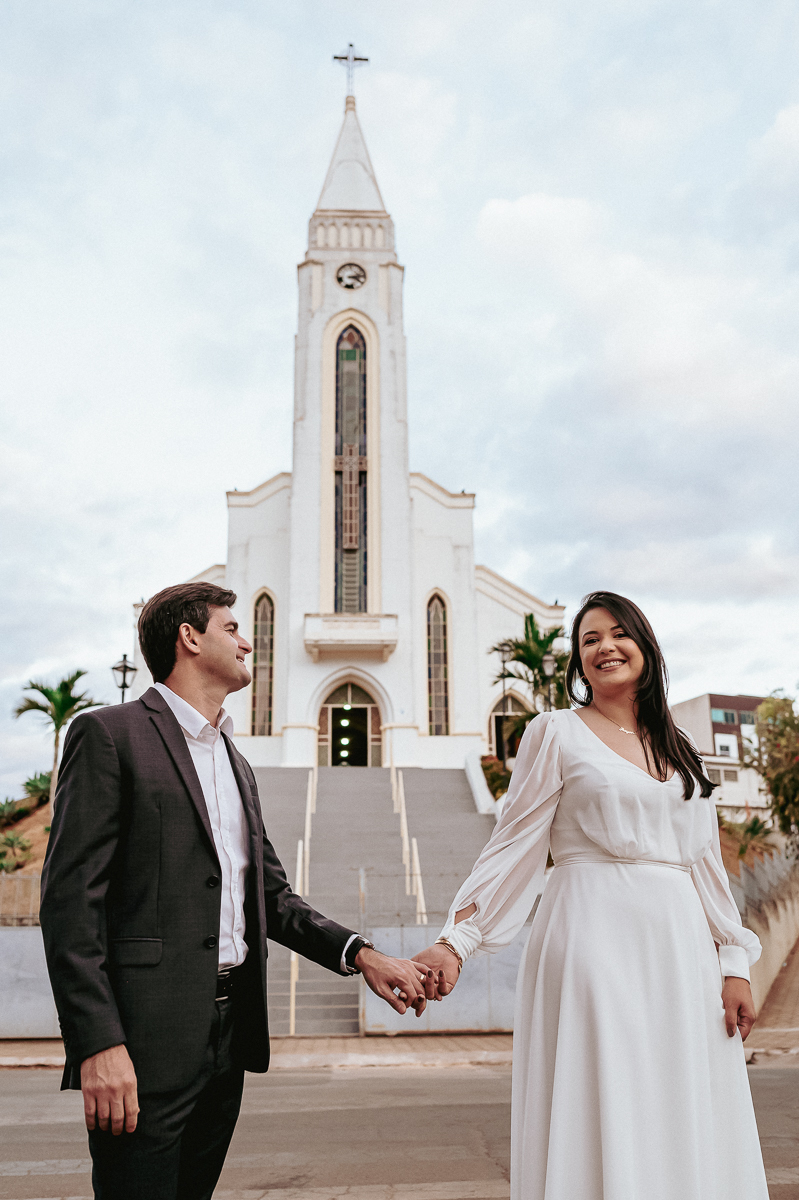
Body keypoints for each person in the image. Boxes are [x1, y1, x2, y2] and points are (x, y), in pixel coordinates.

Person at [40, 582, 437, 1200]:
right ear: (189, 638)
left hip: (227, 1040)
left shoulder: (235, 761)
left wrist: (364, 955)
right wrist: (98, 1044)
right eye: (232, 627)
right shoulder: (109, 735)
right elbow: (70, 906)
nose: (248, 641)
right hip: (143, 1043)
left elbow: (273, 899)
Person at [416, 591, 769, 1200]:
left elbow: (705, 864)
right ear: (579, 663)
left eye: (617, 633)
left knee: (681, 1096)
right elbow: (513, 844)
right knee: (607, 1091)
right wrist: (458, 939)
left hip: (681, 948)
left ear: (644, 646)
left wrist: (733, 963)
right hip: (591, 934)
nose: (605, 646)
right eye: (588, 640)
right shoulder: (554, 733)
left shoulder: (680, 746)